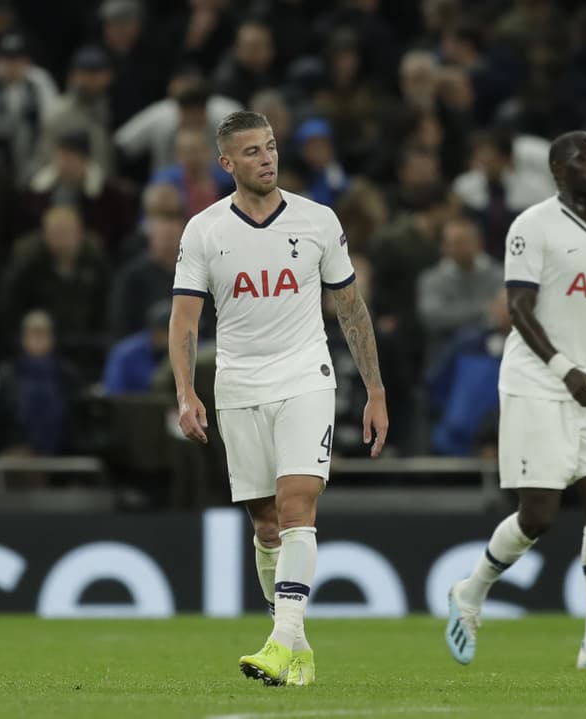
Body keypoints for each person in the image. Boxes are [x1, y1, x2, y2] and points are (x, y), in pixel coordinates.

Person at [169, 110, 389, 687]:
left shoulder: (318, 220)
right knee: (266, 525)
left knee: (297, 506)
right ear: (227, 164)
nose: (266, 158)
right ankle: (298, 644)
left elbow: (351, 309)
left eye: (269, 147)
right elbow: (185, 319)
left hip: (305, 377)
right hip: (238, 384)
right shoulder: (205, 230)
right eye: (252, 152)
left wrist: (375, 389)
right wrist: (186, 390)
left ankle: (277, 641)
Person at [443, 131, 586, 671]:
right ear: (558, 169)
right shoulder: (532, 226)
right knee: (539, 515)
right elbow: (519, 307)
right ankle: (470, 591)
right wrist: (564, 369)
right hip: (537, 382)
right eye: (585, 158)